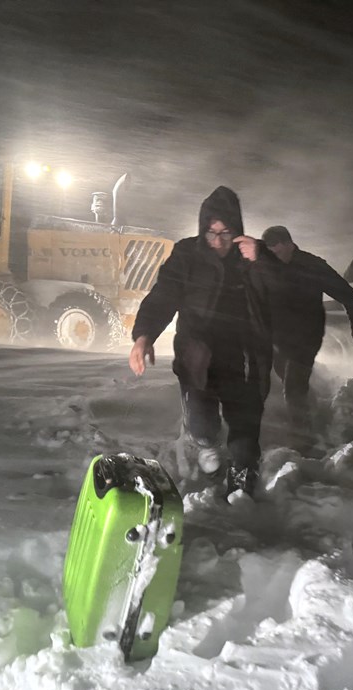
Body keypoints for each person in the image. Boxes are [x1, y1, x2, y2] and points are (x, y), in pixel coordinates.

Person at [129, 187, 274, 499]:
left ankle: (242, 487)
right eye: (211, 233)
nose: (219, 241)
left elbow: (283, 294)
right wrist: (144, 336)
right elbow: (164, 295)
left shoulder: (254, 257)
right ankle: (206, 443)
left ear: (238, 230)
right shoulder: (187, 255)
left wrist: (260, 262)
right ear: (202, 230)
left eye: (226, 232)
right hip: (198, 358)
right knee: (202, 426)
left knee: (245, 426)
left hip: (243, 357)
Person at [261, 226, 353, 438]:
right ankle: (315, 410)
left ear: (289, 244)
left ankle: (304, 438)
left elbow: (346, 292)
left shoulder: (312, 266)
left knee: (293, 386)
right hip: (277, 337)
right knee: (286, 378)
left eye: (277, 252)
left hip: (306, 335)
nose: (273, 257)